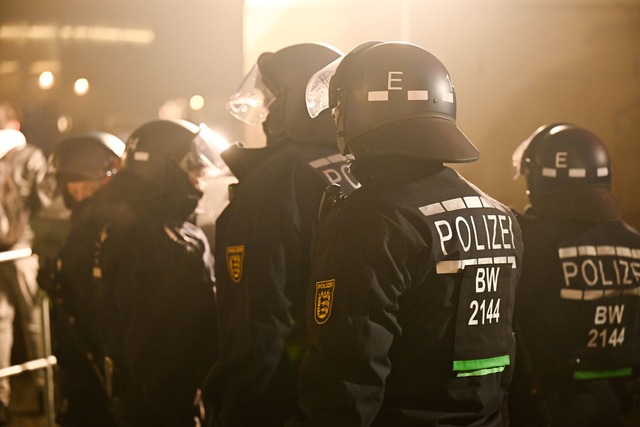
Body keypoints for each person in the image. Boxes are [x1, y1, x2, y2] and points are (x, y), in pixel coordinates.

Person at [292, 41, 523, 426]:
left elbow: (346, 374)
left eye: (339, 108)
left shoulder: (370, 220)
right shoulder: (500, 215)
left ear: (363, 110)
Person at [201, 43, 360, 427]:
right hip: (353, 390)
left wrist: (233, 405)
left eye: (272, 98)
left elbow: (258, 320)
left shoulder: (276, 180)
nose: (265, 112)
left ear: (300, 101)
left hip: (283, 397)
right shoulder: (365, 167)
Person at [507, 123, 640, 427]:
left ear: (539, 180)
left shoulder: (527, 239)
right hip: (616, 405)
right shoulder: (635, 243)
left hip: (547, 404)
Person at [92, 119, 220, 426]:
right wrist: (177, 410)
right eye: (193, 167)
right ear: (161, 169)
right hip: (156, 404)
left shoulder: (174, 226)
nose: (201, 176)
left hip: (178, 392)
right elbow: (152, 342)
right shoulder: (141, 237)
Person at [44, 131, 125, 426]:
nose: (77, 197)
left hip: (106, 359)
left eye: (86, 189)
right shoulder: (80, 224)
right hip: (79, 358)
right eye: (72, 190)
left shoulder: (117, 225)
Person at [0, 102, 50, 424]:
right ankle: (47, 392)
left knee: (2, 322)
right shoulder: (31, 156)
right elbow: (46, 203)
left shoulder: (25, 157)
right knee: (33, 320)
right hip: (22, 249)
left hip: (13, 250)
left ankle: (3, 399)